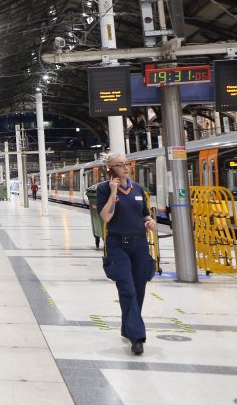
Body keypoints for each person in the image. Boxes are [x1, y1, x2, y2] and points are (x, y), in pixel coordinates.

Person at [96, 151, 157, 356]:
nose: (125, 167)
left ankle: (127, 328)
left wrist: (150, 221)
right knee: (127, 290)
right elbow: (106, 216)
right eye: (120, 164)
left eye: (126, 163)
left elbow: (144, 213)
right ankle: (137, 337)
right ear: (110, 169)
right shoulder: (104, 189)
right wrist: (113, 194)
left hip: (139, 244)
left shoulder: (138, 189)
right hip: (117, 245)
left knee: (138, 290)